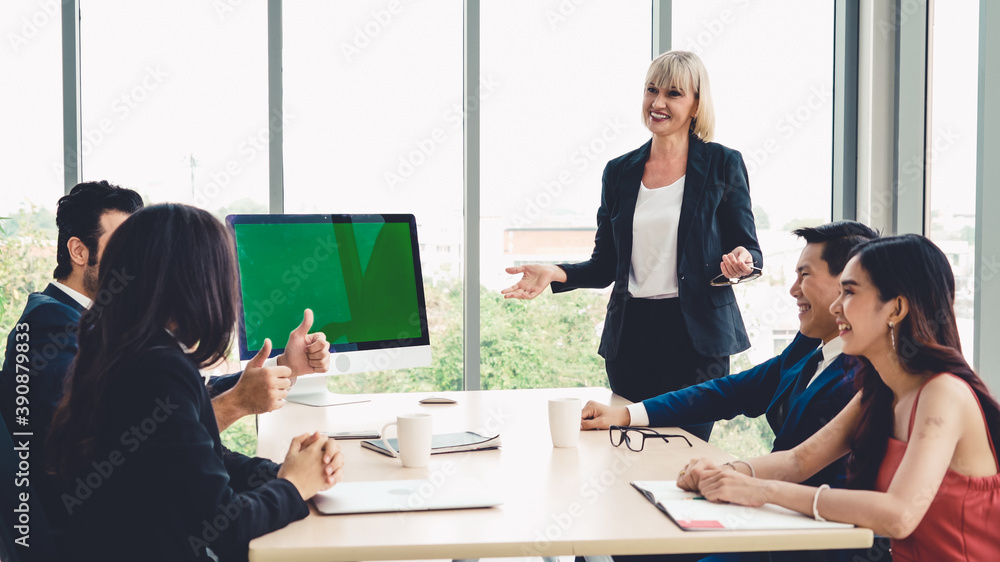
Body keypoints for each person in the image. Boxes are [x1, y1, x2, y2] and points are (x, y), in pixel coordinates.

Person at [0, 181, 330, 537]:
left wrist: (282, 368)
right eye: (126, 245)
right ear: (79, 251)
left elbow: (177, 407)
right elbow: (133, 444)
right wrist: (286, 476)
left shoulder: (116, 332)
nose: (132, 260)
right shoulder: (52, 327)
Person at [678, 234, 1000, 561]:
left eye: (849, 292)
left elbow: (899, 515)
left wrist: (761, 490)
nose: (835, 307)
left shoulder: (942, 392)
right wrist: (725, 473)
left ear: (897, 308)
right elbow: (797, 462)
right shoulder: (879, 393)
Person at [502, 51, 762, 443]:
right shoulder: (619, 171)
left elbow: (750, 249)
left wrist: (742, 260)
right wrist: (556, 272)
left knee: (683, 452)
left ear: (695, 104)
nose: (658, 103)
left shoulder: (723, 163)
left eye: (673, 93)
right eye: (651, 90)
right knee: (628, 453)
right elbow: (606, 265)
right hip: (633, 338)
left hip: (696, 343)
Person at [582, 221, 878, 493]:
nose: (792, 290)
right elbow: (731, 392)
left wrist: (725, 476)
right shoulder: (809, 348)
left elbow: (802, 469)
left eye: (805, 275)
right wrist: (627, 415)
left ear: (848, 282)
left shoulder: (866, 375)